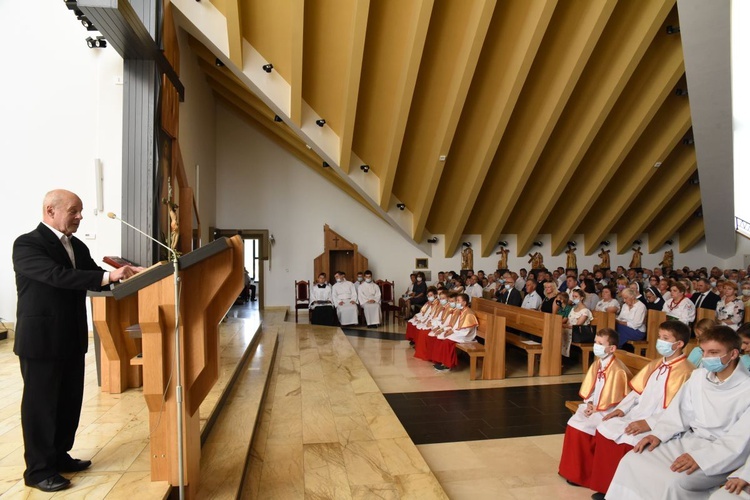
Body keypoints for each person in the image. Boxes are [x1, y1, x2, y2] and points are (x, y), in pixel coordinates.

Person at [13, 189, 139, 492]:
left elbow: (94, 276)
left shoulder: (77, 245)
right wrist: (109, 277)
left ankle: (59, 455)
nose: (80, 217)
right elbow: (57, 276)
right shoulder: (28, 244)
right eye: (74, 211)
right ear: (50, 210)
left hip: (70, 336)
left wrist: (131, 277)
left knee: (68, 401)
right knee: (40, 406)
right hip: (41, 339)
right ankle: (38, 470)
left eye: (80, 211)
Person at [607, 326, 750, 500]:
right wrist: (658, 435)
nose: (706, 358)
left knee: (673, 480)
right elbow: (679, 412)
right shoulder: (698, 377)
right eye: (704, 352)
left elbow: (739, 440)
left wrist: (702, 458)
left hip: (721, 454)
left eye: (714, 352)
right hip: (690, 439)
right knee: (631, 460)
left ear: (734, 354)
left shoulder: (747, 389)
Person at [588, 321, 694, 498]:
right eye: (660, 337)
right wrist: (621, 410)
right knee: (605, 427)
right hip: (637, 414)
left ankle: (625, 491)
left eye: (665, 338)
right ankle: (606, 486)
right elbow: (637, 392)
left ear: (679, 343)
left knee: (631, 438)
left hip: (660, 424)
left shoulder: (687, 371)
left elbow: (680, 409)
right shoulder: (657, 363)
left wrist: (649, 423)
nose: (660, 341)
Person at [558, 328, 630, 488]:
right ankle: (571, 471)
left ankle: (583, 475)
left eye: (600, 343)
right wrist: (590, 403)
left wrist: (597, 408)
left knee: (581, 427)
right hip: (596, 406)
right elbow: (593, 389)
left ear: (612, 348)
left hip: (609, 411)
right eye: (595, 342)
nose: (595, 346)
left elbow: (617, 399)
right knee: (573, 422)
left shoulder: (617, 370)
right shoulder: (598, 363)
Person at [432, 293, 479, 372]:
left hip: (465, 336)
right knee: (441, 338)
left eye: (458, 301)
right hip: (459, 333)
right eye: (456, 301)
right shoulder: (462, 311)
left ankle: (448, 365)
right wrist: (451, 330)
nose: (457, 303)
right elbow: (457, 325)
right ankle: (441, 361)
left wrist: (453, 332)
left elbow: (466, 331)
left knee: (447, 342)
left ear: (464, 303)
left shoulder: (469, 313)